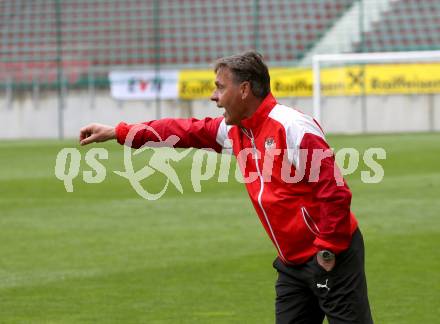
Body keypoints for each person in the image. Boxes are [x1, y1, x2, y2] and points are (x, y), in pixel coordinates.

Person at [79, 51, 373, 323]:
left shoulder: (292, 126)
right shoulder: (235, 130)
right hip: (291, 264)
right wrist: (118, 132)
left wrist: (328, 251)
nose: (213, 96)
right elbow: (183, 131)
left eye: (220, 87)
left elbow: (333, 190)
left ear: (244, 89)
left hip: (331, 257)